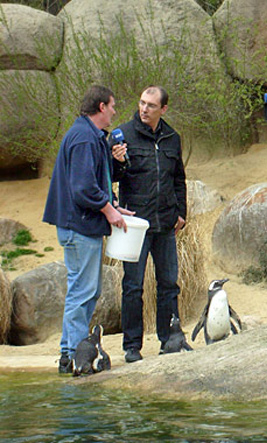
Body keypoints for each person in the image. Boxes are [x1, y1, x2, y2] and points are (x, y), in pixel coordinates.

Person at [43, 85, 131, 374]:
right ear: (102, 107)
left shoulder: (90, 136)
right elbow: (83, 189)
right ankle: (71, 356)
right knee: (82, 292)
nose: (115, 111)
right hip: (79, 228)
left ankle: (73, 354)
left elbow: (95, 182)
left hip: (82, 226)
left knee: (87, 291)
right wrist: (109, 211)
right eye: (113, 106)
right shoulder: (83, 138)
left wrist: (114, 206)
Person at [111, 85, 187, 362]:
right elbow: (108, 178)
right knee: (133, 286)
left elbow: (179, 177)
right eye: (142, 103)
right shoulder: (122, 135)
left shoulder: (171, 137)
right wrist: (116, 163)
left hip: (166, 222)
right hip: (135, 224)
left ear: (163, 109)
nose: (144, 109)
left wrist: (182, 211)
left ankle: (170, 339)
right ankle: (132, 346)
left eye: (151, 105)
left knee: (168, 283)